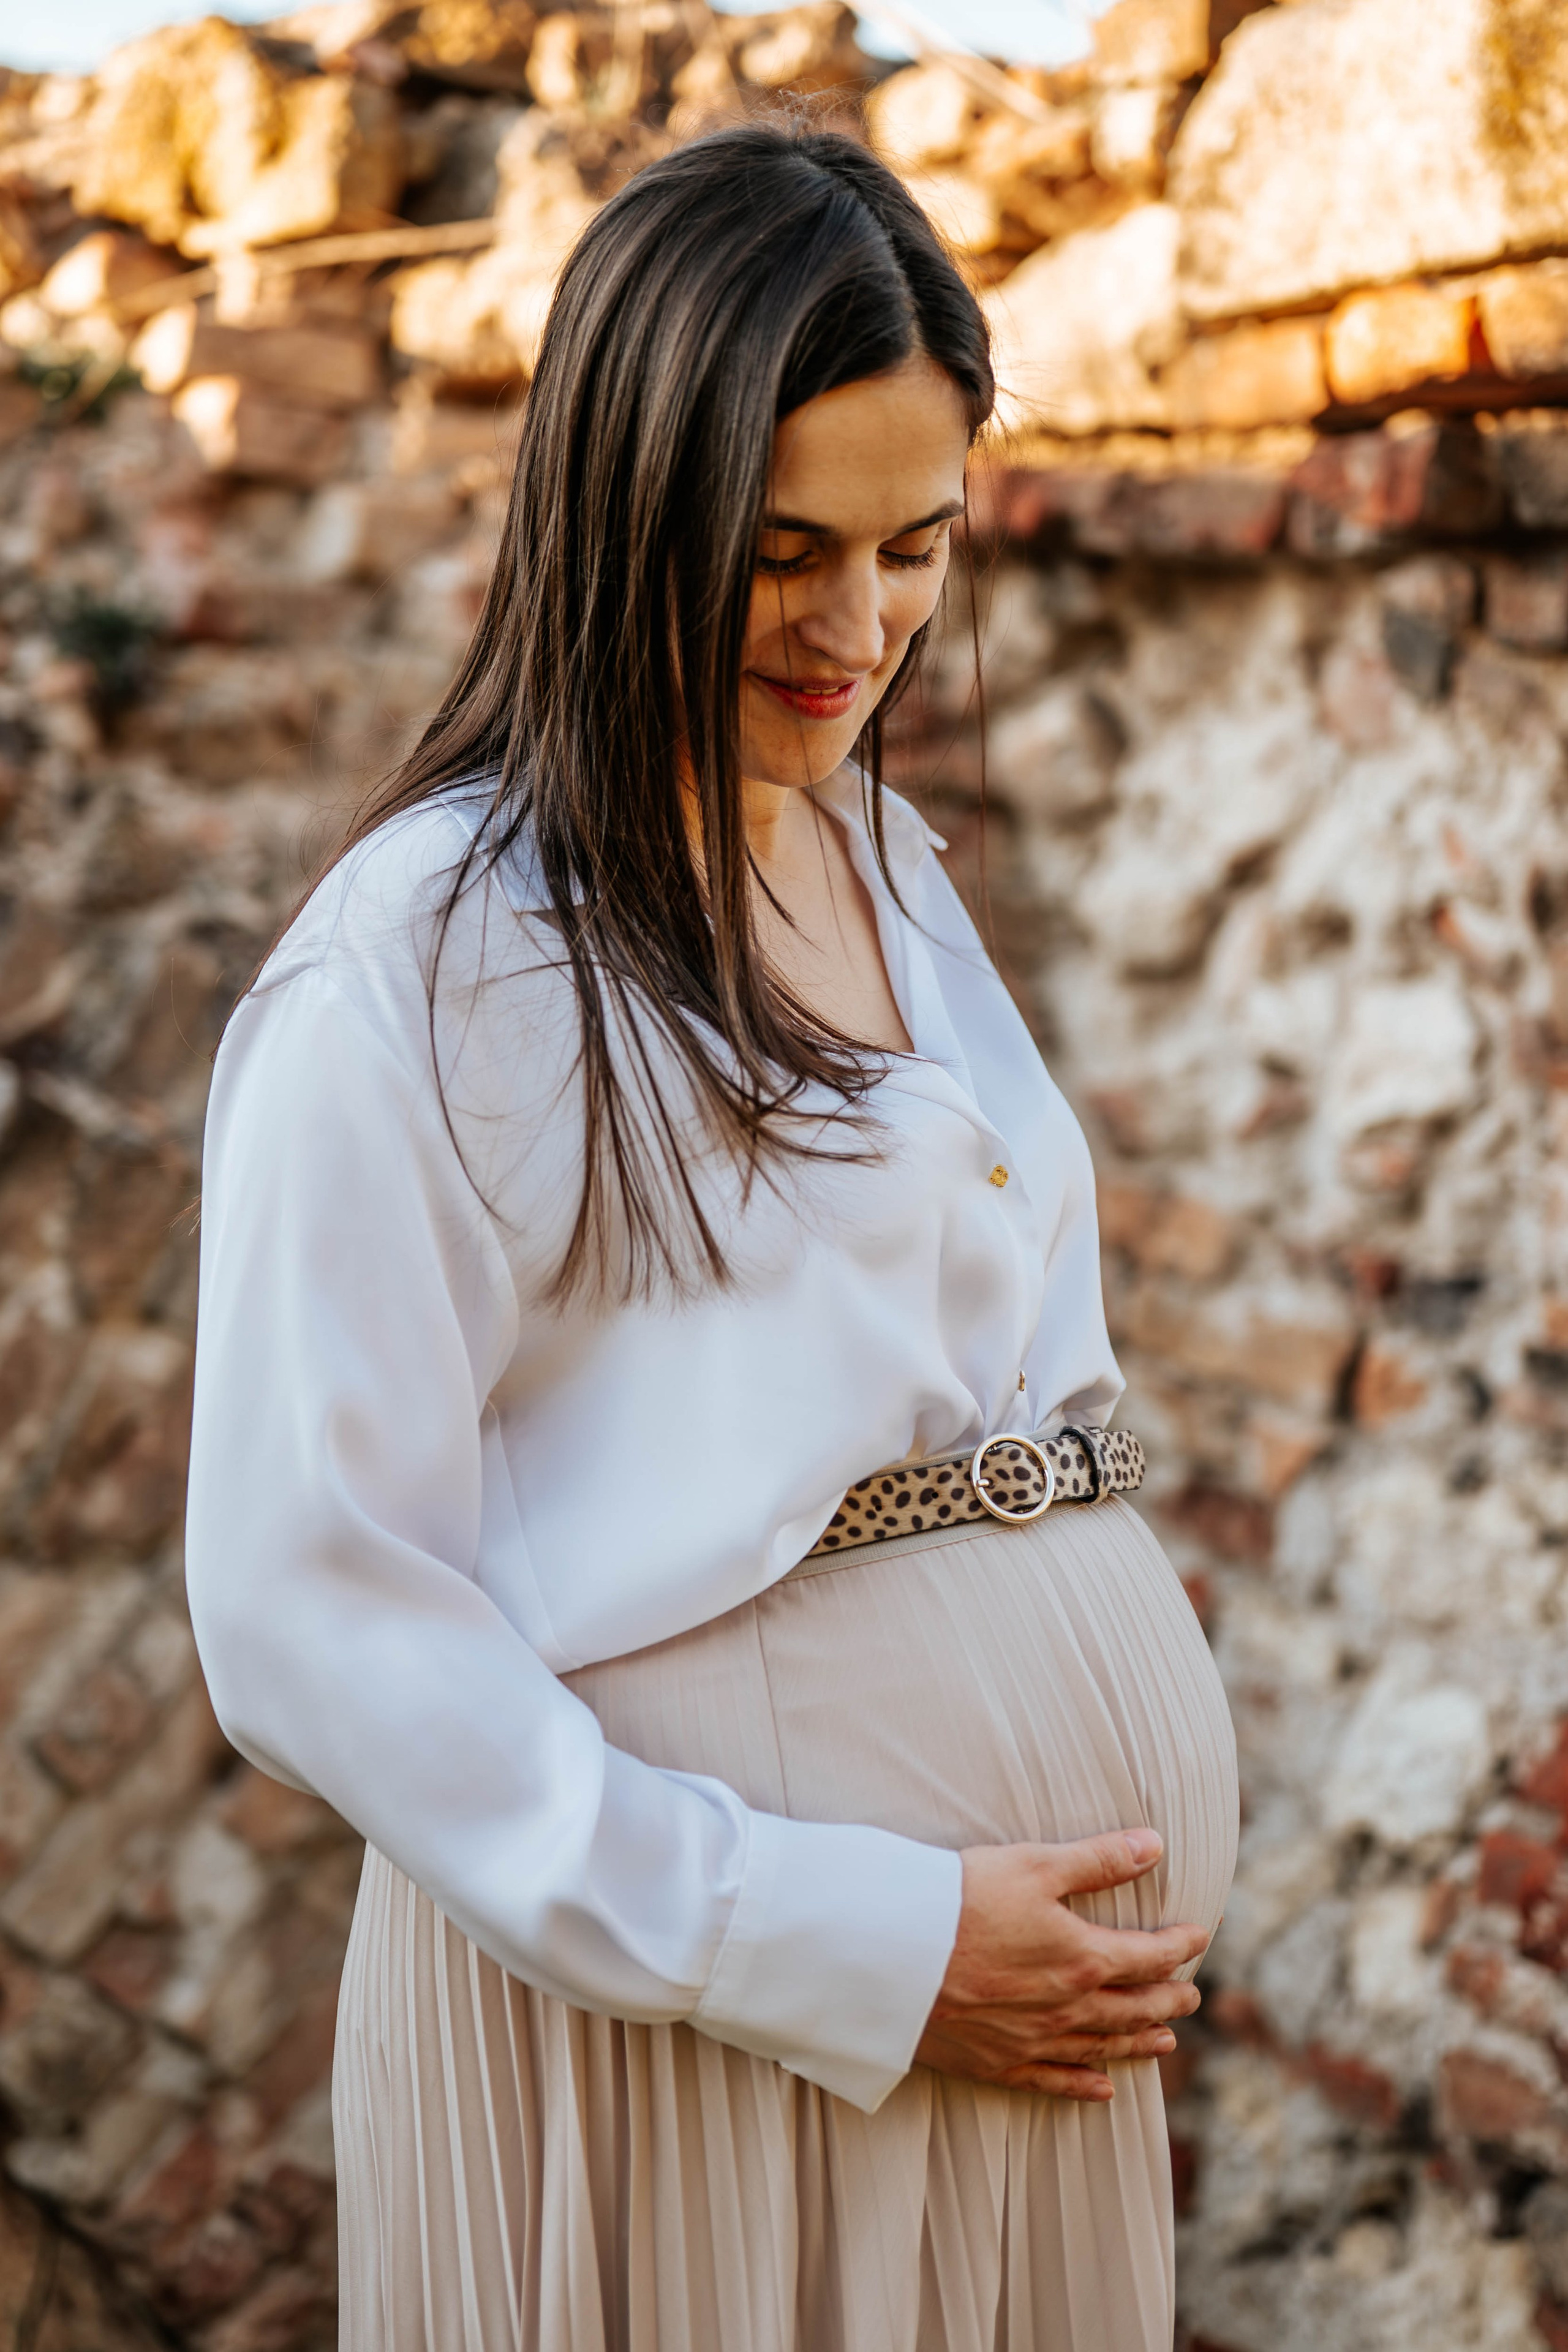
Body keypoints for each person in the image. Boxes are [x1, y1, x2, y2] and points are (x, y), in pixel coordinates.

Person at [185, 121, 1238, 2352]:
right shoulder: (417, 973)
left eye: (919, 547)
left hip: (996, 2056)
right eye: (783, 554)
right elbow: (309, 1606)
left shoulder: (879, 861)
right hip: (688, 2053)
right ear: (623, 510)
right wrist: (846, 1942)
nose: (859, 632)